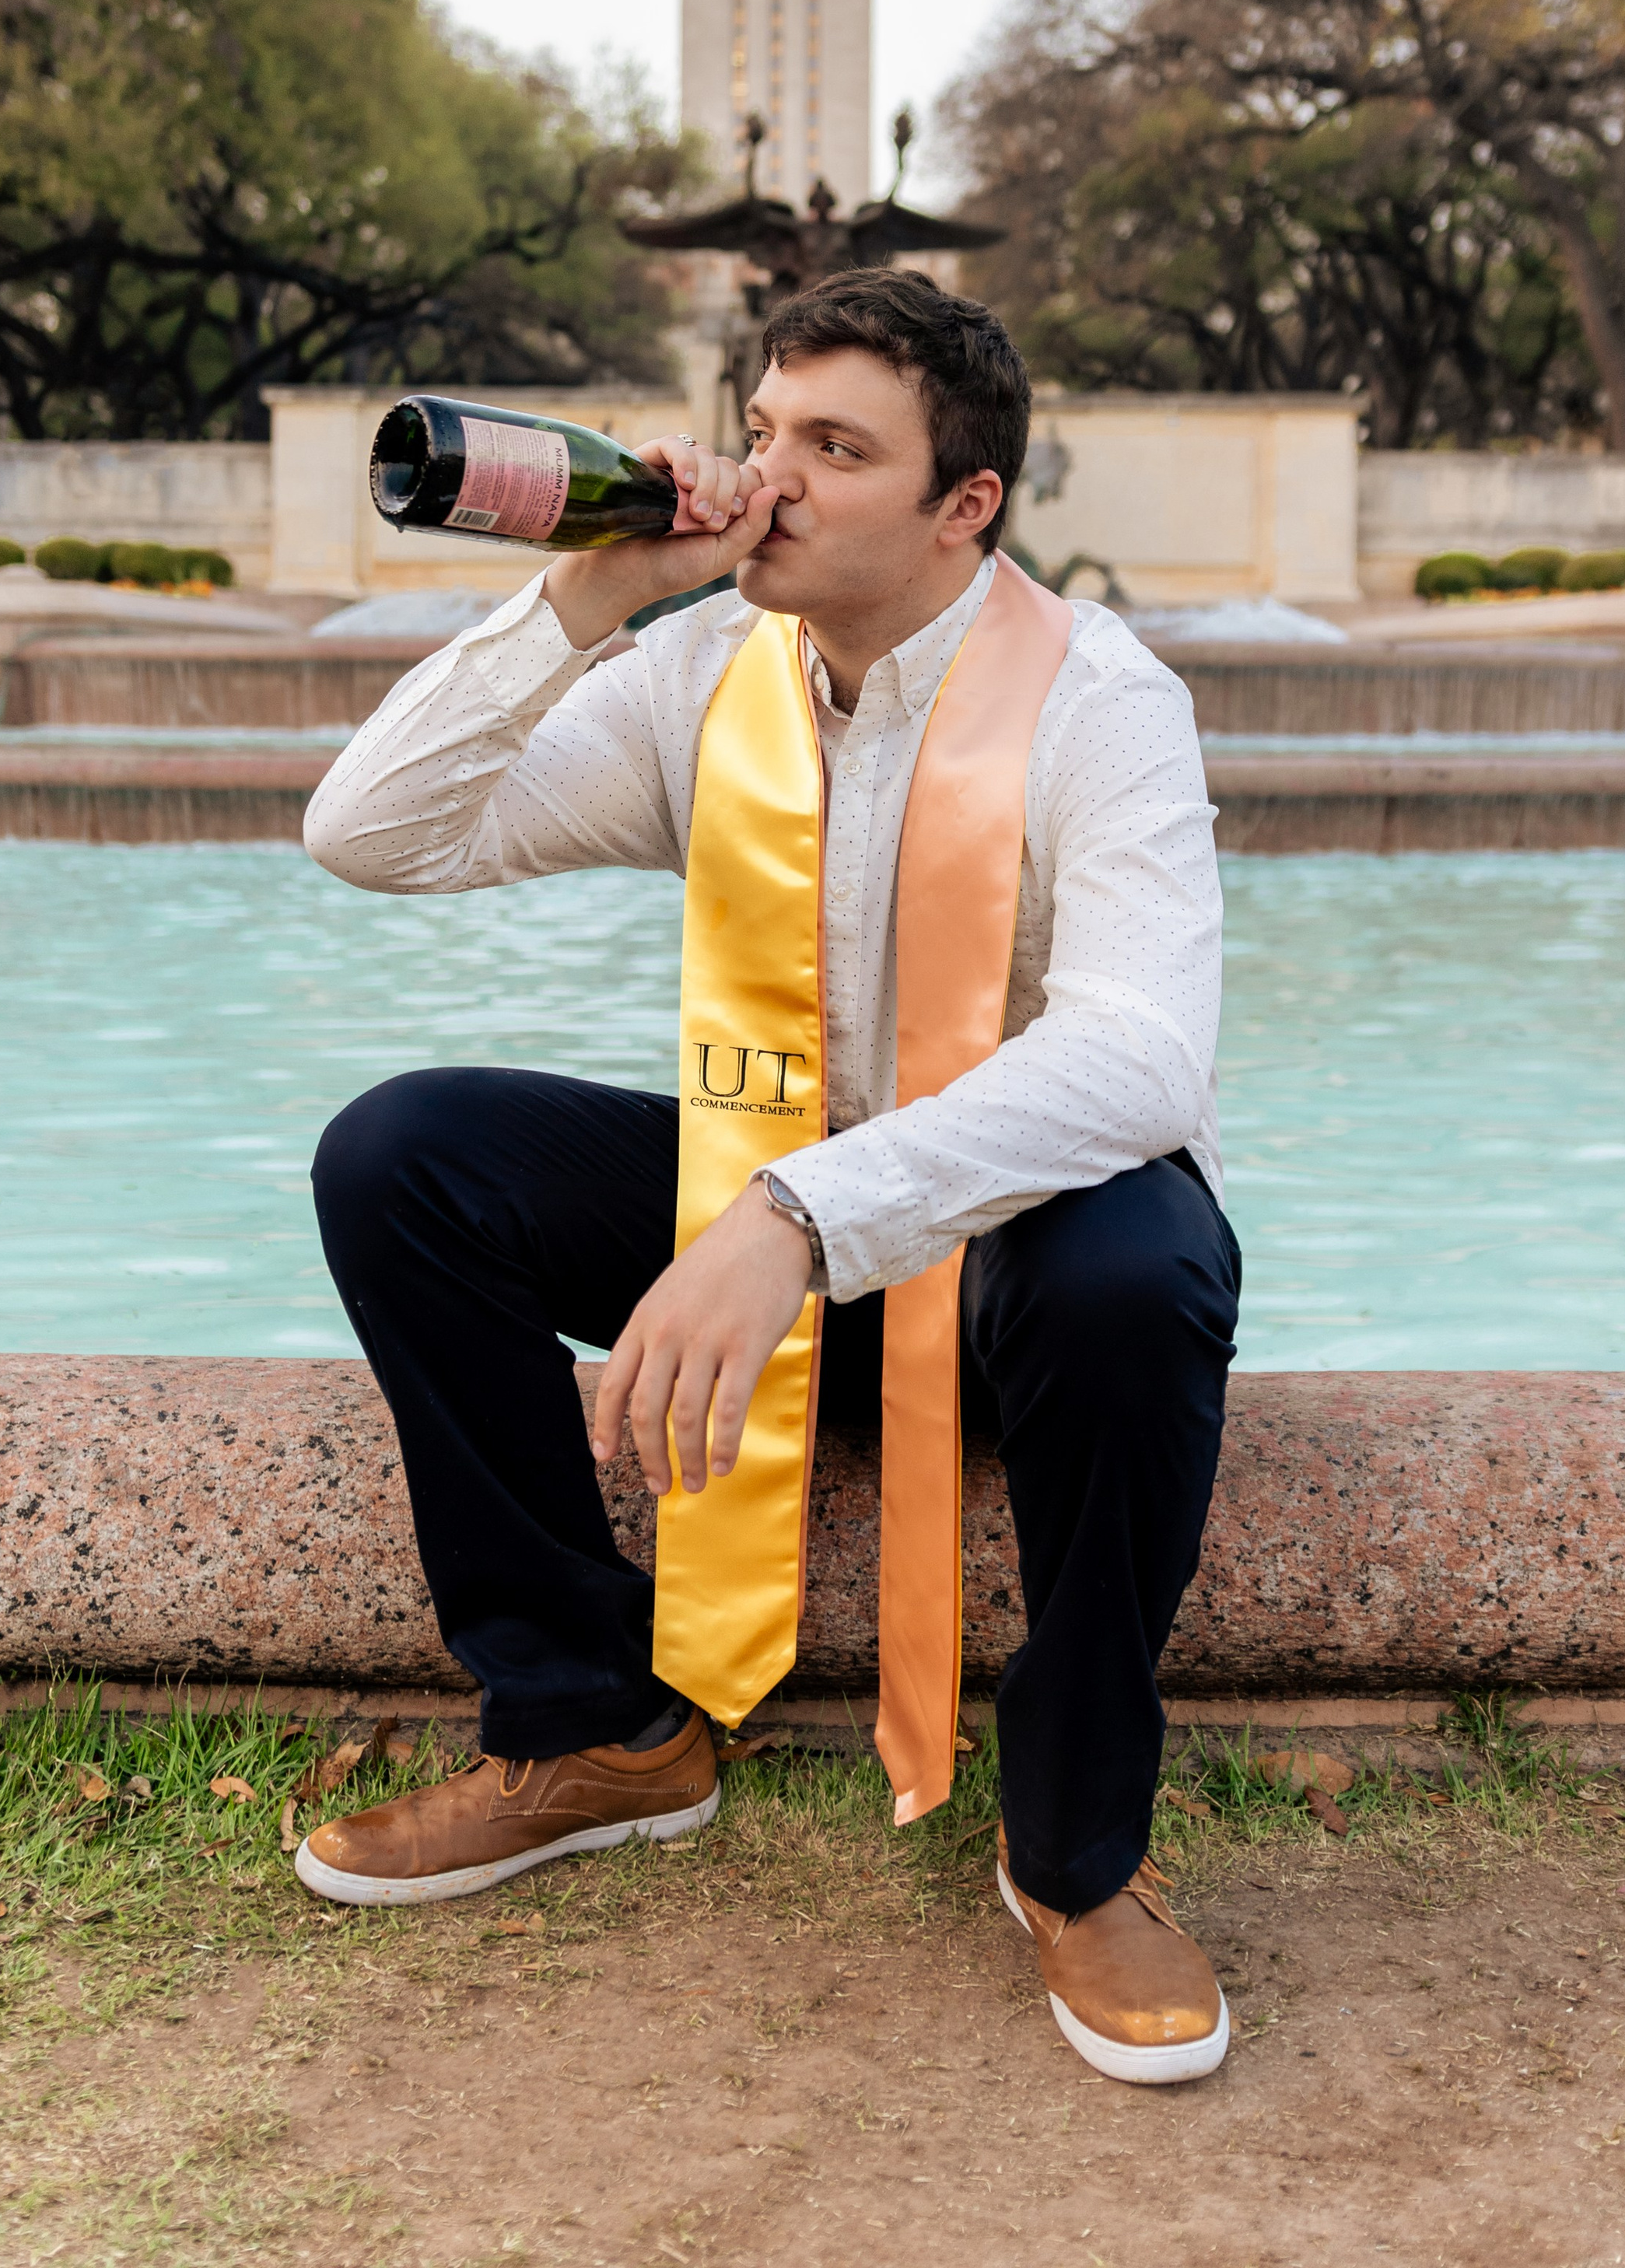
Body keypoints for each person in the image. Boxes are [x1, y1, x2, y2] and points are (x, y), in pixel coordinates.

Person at [299, 271, 1240, 2085]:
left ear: (962, 503)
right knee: (405, 1156)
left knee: (1143, 1268)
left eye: (834, 446)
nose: (768, 477)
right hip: (767, 1202)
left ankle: (1074, 1856)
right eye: (758, 432)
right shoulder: (701, 679)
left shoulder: (1099, 700)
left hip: (1017, 1247)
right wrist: (579, 599)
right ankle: (594, 1730)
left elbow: (1140, 1053)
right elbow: (370, 834)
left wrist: (800, 1215)